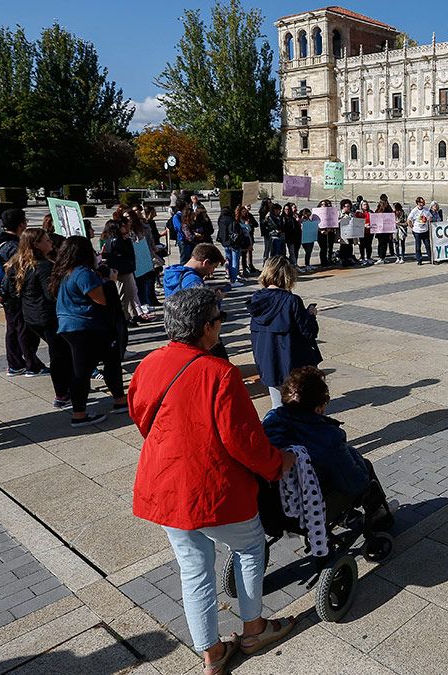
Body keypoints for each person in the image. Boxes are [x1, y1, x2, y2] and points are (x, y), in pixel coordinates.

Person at [129, 287, 296, 674]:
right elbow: (244, 440)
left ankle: (212, 652)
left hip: (167, 485)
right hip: (212, 489)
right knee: (251, 547)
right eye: (219, 321)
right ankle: (254, 629)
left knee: (193, 568)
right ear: (207, 327)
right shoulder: (219, 373)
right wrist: (278, 464)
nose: (221, 327)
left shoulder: (150, 362)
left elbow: (141, 415)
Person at [261, 366, 371, 502]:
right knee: (363, 466)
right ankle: (377, 511)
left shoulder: (270, 420)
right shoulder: (328, 437)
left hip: (272, 499)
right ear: (319, 408)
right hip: (306, 502)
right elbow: (356, 485)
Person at [51, 236, 128, 427]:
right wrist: (110, 281)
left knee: (85, 369)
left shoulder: (63, 272)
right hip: (87, 327)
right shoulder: (82, 273)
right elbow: (101, 299)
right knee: (90, 369)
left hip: (70, 326)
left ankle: (116, 401)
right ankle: (81, 413)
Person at [2, 228, 72, 408]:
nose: (51, 243)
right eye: (47, 241)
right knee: (59, 355)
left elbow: (8, 289)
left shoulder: (16, 263)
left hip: (30, 316)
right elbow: (51, 295)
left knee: (59, 353)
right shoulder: (43, 266)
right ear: (36, 244)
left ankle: (65, 389)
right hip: (47, 316)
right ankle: (62, 394)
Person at [248, 257, 322, 410]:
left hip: (267, 357)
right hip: (290, 359)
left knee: (277, 401)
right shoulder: (292, 301)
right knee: (296, 402)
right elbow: (308, 331)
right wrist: (311, 316)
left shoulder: (257, 298)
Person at [0, 209, 46, 376]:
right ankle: (31, 365)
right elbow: (17, 270)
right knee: (23, 330)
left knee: (13, 329)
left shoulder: (0, 242)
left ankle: (16, 364)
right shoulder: (13, 246)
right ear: (21, 224)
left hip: (5, 292)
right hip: (14, 293)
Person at [102, 219, 140, 324]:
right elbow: (128, 252)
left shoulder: (116, 240)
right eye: (122, 226)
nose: (125, 228)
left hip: (124, 269)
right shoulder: (117, 241)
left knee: (130, 293)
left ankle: (133, 314)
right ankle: (125, 317)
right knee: (124, 295)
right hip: (122, 271)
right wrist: (127, 240)